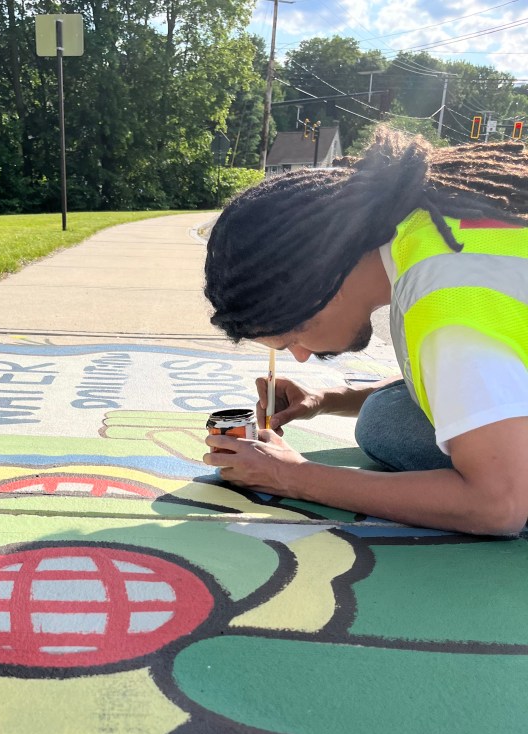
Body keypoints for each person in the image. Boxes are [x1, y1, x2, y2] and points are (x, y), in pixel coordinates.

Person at [203, 127, 528, 535]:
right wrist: (325, 400)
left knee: (386, 426)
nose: (301, 356)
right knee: (387, 408)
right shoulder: (423, 235)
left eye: (290, 340)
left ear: (318, 288)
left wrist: (291, 476)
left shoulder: (446, 304)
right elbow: (481, 378)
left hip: (506, 495)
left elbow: (499, 505)